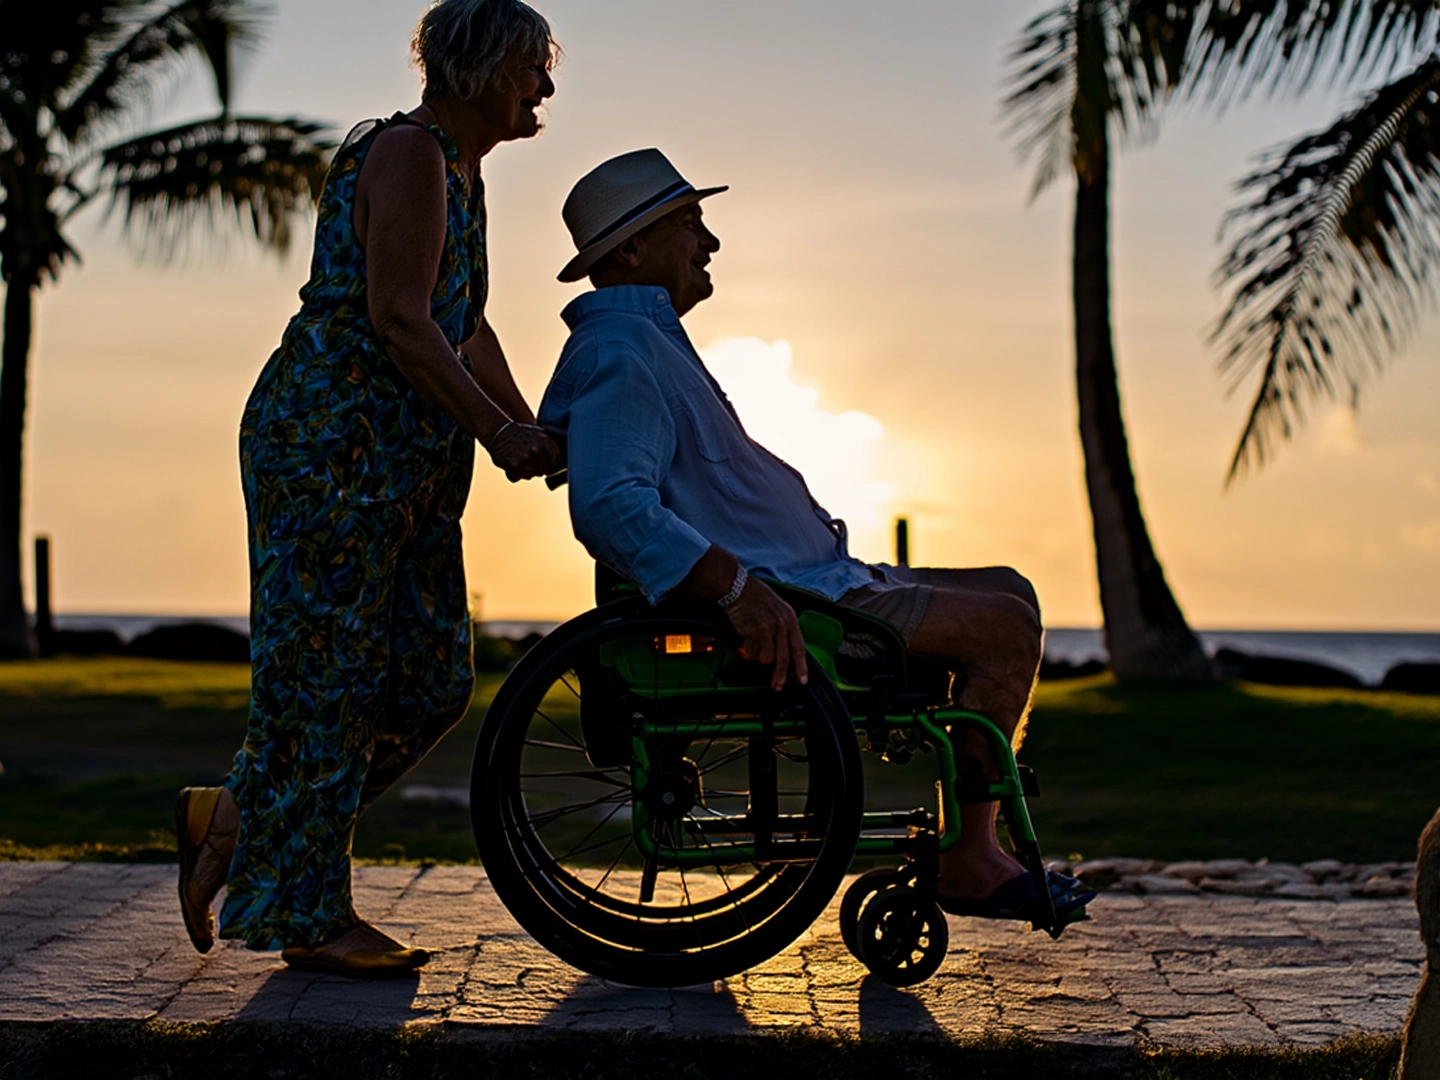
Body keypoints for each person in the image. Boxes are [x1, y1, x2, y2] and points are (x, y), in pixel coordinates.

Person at [538, 149, 1094, 920]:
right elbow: (609, 506)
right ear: (632, 250)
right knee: (1004, 630)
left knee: (1011, 590)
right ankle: (970, 860)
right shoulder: (622, 352)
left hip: (812, 578)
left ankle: (977, 841)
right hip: (793, 596)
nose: (711, 242)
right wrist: (738, 589)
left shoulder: (646, 345)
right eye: (691, 222)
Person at [175, 0, 564, 978]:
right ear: (479, 68)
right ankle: (311, 917)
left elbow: (465, 325)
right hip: (329, 454)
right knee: (327, 689)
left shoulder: (464, 174)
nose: (545, 91)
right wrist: (497, 429)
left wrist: (535, 428)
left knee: (430, 680)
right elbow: (398, 318)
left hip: (412, 469)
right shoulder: (407, 154)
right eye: (532, 69)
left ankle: (230, 818)